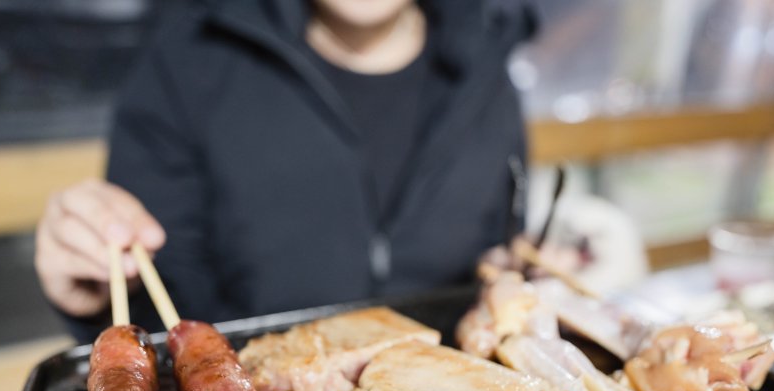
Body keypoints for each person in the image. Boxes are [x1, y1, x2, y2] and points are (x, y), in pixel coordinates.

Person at [35, 0, 536, 343]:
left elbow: (496, 252)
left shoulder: (488, 69)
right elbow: (161, 302)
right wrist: (100, 299)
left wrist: (526, 267)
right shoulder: (189, 63)